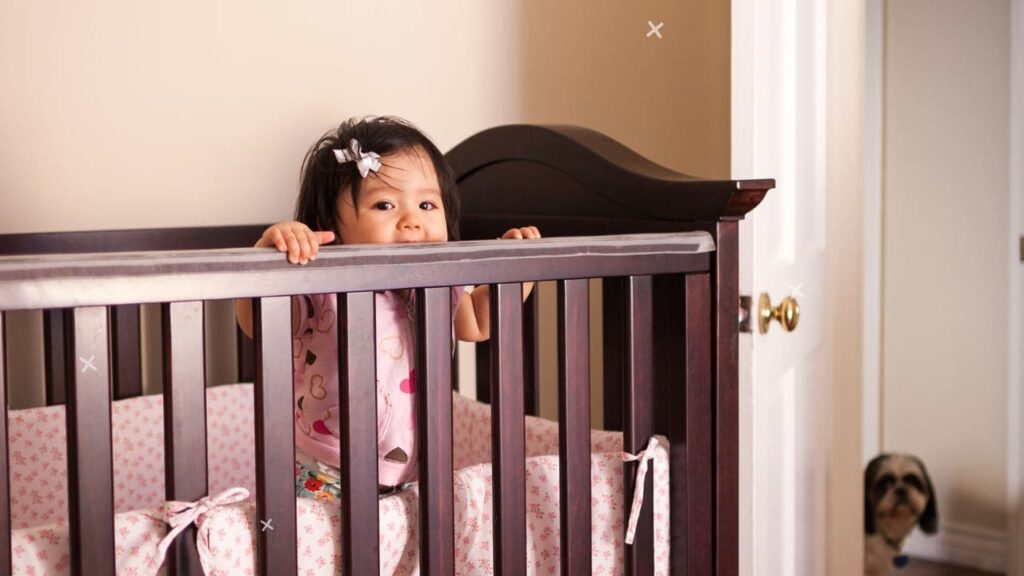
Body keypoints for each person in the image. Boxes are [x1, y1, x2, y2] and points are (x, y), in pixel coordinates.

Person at [235, 116, 540, 500]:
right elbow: (257, 321)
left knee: (401, 554)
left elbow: (479, 322)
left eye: (427, 204)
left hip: (415, 470)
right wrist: (269, 255)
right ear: (332, 225)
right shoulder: (321, 285)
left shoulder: (438, 286)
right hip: (327, 470)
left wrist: (519, 269)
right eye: (385, 204)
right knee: (319, 556)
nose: (412, 220)